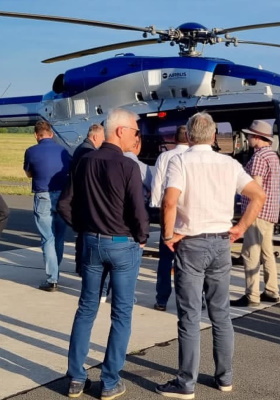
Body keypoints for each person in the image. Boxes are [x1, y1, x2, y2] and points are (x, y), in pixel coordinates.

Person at [155, 112, 265, 399]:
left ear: (189, 136)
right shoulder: (228, 163)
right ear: (215, 136)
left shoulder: (180, 161)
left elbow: (169, 201)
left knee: (190, 315)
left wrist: (167, 236)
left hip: (191, 242)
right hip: (220, 242)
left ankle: (186, 382)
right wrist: (240, 227)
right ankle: (224, 377)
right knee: (221, 314)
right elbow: (258, 195)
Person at [58, 108, 149, 400]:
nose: (137, 137)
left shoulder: (83, 162)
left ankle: (76, 378)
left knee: (86, 309)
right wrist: (142, 237)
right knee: (121, 314)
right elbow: (138, 210)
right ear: (121, 131)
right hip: (123, 245)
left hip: (91, 243)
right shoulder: (127, 166)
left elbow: (64, 204)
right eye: (135, 131)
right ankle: (109, 382)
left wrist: (84, 227)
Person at [231, 120, 280, 307]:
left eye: (250, 135)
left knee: (251, 253)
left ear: (258, 137)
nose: (248, 138)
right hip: (270, 212)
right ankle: (271, 290)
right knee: (267, 252)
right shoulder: (273, 156)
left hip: (257, 213)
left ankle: (252, 296)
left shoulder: (259, 157)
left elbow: (256, 188)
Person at [23, 120, 71, 292]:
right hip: (62, 196)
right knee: (59, 236)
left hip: (43, 195)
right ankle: (55, 271)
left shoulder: (31, 151)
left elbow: (29, 173)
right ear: (51, 134)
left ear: (36, 135)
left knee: (47, 238)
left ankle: (52, 278)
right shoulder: (63, 151)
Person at [151, 125, 189, 312]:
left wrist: (157, 208)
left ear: (174, 138)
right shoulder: (193, 157)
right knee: (190, 260)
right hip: (188, 215)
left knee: (165, 259)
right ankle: (195, 298)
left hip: (168, 212)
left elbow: (157, 185)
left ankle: (162, 299)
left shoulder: (164, 157)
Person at [71, 124, 105, 276]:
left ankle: (80, 264)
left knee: (82, 235)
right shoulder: (88, 151)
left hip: (79, 199)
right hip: (83, 200)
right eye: (103, 138)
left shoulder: (82, 148)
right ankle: (82, 265)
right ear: (96, 136)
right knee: (85, 236)